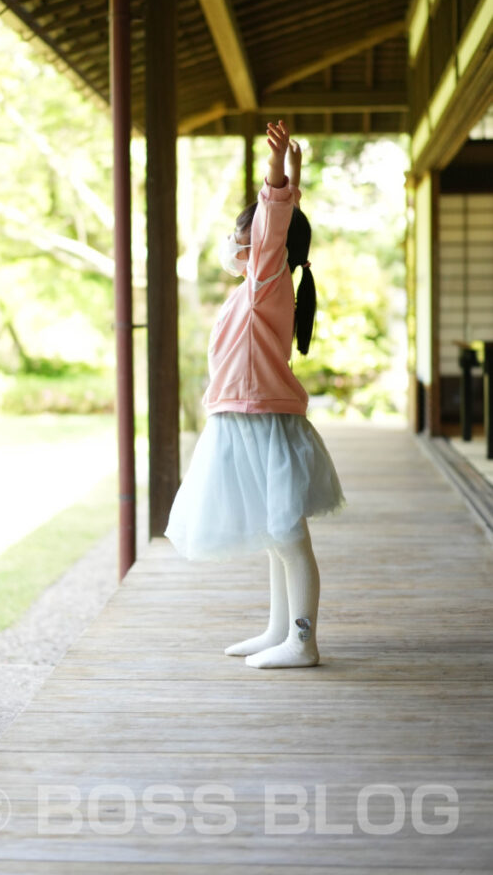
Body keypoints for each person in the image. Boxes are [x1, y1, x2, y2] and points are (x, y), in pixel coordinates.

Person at [163, 119, 346, 669]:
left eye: (241, 230)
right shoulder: (256, 289)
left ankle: (303, 640)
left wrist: (277, 176)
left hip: (260, 421)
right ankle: (279, 630)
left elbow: (277, 225)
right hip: (243, 420)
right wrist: (296, 173)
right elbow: (284, 228)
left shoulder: (268, 281)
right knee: (275, 533)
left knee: (287, 536)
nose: (233, 238)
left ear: (262, 242)